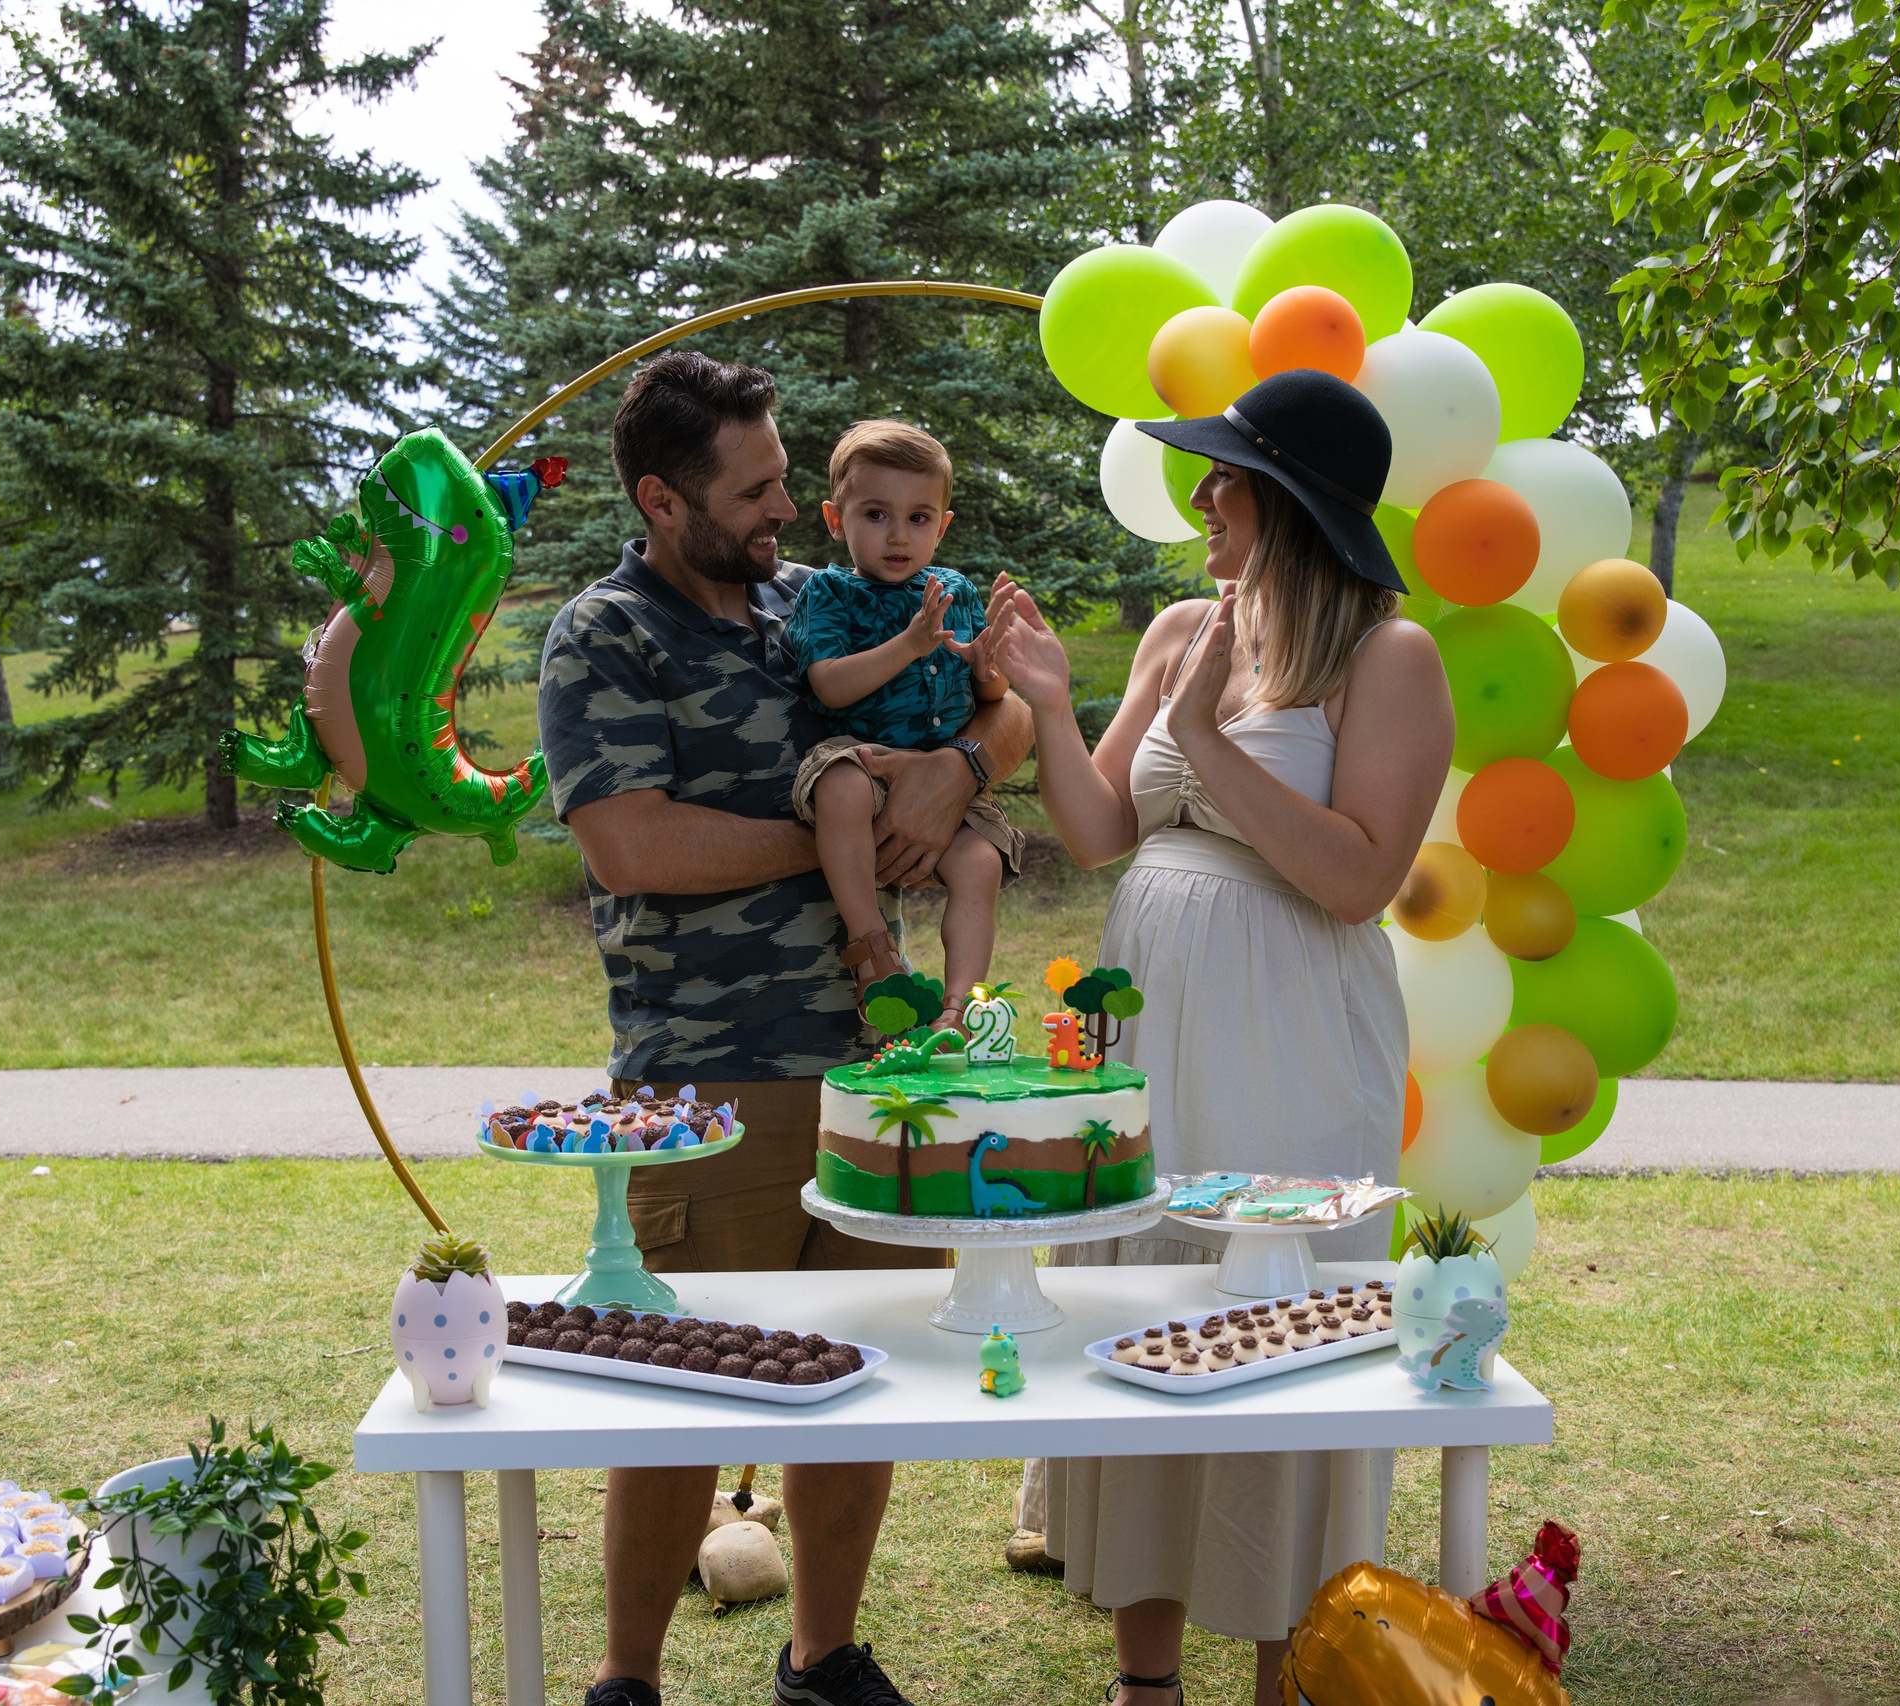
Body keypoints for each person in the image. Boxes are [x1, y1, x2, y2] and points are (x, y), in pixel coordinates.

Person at [536, 350, 1033, 1706]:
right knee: (684, 1384)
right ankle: (626, 1681)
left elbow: (1005, 713)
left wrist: (954, 769)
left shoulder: (814, 603)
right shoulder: (607, 632)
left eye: (781, 480)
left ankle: (821, 1657)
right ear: (659, 497)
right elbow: (629, 839)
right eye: (751, 487)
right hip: (712, 1081)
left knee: (855, 1369)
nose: (777, 509)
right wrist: (838, 849)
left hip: (883, 1074)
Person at [989, 369, 1454, 1706]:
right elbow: (1097, 831)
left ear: (1290, 502)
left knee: (1277, 1314)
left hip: (1294, 1028)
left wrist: (1208, 738)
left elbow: (1357, 875)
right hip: (1152, 1017)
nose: (1200, 497)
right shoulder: (1184, 624)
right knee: (1142, 1294)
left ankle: (1281, 1670)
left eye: (1226, 477)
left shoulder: (1387, 656)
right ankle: (1146, 1681)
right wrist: (1057, 703)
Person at [785, 421, 1025, 1022]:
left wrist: (987, 663)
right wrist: (911, 644)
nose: (898, 535)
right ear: (835, 519)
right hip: (859, 757)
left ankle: (960, 1004)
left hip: (943, 765)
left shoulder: (955, 591)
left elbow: (992, 693)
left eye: (919, 518)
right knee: (837, 786)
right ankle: (873, 948)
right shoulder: (830, 593)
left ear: (942, 527)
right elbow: (829, 684)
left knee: (980, 863)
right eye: (874, 514)